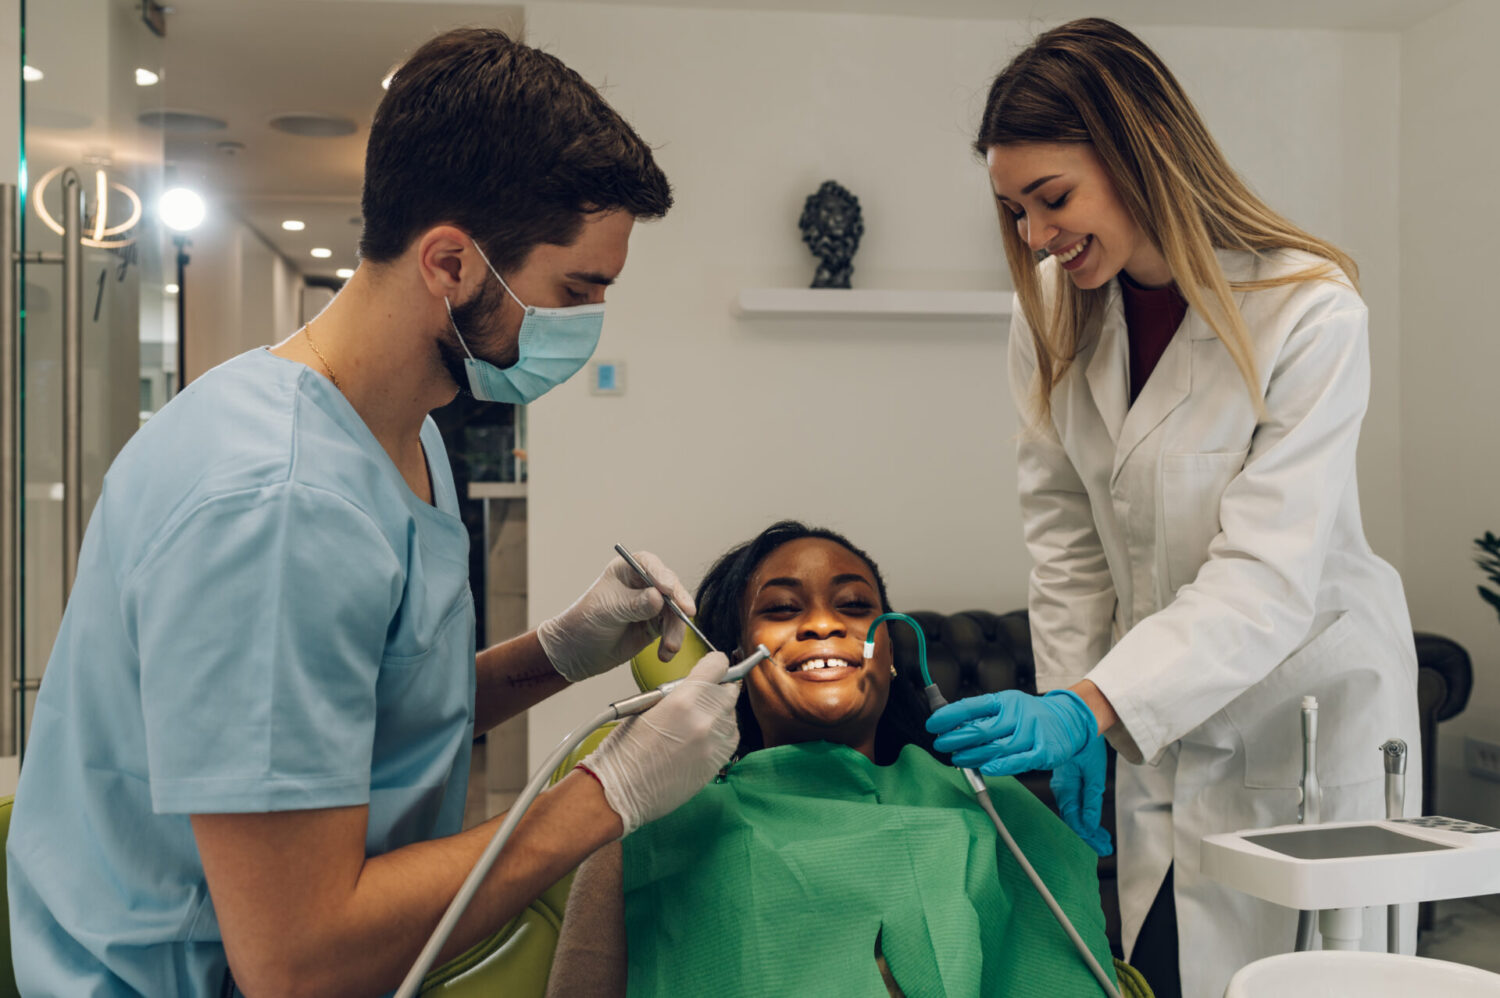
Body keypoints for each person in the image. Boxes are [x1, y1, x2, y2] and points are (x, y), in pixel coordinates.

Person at [6, 28, 742, 997]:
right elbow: (297, 957)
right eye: (576, 290)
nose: (589, 322)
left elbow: (351, 729)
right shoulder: (276, 503)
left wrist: (557, 652)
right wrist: (606, 795)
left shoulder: (404, 428)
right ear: (450, 261)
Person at [924, 18, 1421, 998]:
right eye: (1014, 209)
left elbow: (1267, 576)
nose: (1035, 236)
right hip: (1160, 734)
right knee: (1164, 971)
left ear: (1137, 154)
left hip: (1309, 730)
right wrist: (1079, 710)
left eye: (1052, 199)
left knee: (1308, 976)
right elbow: (1065, 545)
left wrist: (1096, 701)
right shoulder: (1050, 317)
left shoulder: (1310, 311)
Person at [545, 521, 1118, 998]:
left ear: (891, 654)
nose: (823, 623)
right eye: (784, 608)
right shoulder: (654, 826)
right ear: (737, 658)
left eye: (853, 605)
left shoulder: (990, 810)